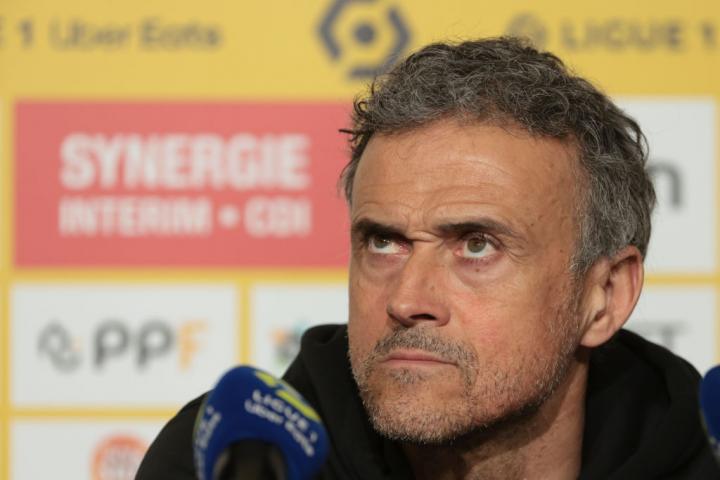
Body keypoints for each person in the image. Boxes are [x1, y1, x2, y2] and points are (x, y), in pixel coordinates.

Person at [136, 37, 720, 479]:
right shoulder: (237, 462)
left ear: (605, 296)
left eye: (476, 245)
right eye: (383, 242)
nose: (406, 299)